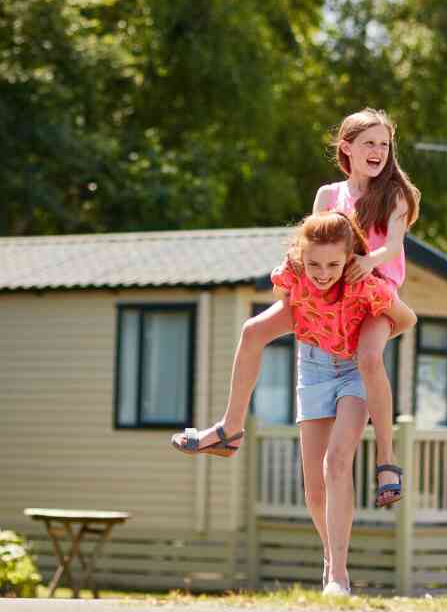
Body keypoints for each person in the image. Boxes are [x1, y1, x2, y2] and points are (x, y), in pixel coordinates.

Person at [171, 109, 420, 511]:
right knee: (253, 331)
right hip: (327, 290)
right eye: (369, 143)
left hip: (373, 293)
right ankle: (230, 430)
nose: (378, 151)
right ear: (347, 148)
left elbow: (393, 246)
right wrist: (292, 269)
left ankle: (386, 459)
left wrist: (367, 262)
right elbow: (312, 242)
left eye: (384, 144)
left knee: (369, 358)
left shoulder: (395, 195)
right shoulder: (329, 195)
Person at [270, 210, 415, 595]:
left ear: (350, 258)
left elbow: (407, 319)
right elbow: (286, 304)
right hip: (312, 369)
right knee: (315, 491)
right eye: (315, 264)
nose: (323, 273)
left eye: (333, 264)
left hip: (353, 371)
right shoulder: (293, 275)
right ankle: (330, 557)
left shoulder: (366, 284)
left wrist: (371, 339)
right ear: (302, 257)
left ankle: (338, 575)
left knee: (336, 462)